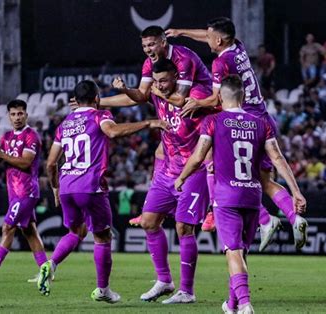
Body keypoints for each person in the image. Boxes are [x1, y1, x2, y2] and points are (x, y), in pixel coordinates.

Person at [165, 17, 308, 251]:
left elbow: (216, 99)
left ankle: (243, 216)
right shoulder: (238, 47)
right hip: (263, 119)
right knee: (264, 180)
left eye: (210, 37)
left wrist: (196, 104)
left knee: (214, 165)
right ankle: (293, 218)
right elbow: (210, 34)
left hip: (242, 121)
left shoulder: (220, 64)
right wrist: (182, 31)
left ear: (219, 40)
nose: (207, 39)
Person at [175, 76, 306, 314]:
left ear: (221, 97)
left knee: (232, 252)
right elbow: (277, 158)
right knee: (241, 253)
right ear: (243, 97)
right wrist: (296, 191)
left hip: (226, 198)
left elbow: (197, 157)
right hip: (252, 197)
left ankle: (245, 304)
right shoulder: (260, 123)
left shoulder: (213, 121)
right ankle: (232, 304)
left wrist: (181, 178)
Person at [40, 80, 168, 299]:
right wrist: (148, 123)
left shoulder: (65, 124)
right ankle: (103, 290)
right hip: (90, 186)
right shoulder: (100, 116)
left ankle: (51, 263)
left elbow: (50, 163)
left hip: (66, 187)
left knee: (76, 232)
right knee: (103, 237)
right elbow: (114, 132)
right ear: (96, 99)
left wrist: (54, 187)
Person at [94, 25, 213, 227]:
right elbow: (141, 95)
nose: (148, 49)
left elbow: (178, 99)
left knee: (208, 156)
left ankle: (213, 209)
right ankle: (155, 205)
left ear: (163, 42)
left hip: (205, 107)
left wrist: (154, 91)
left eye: (151, 44)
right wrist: (100, 102)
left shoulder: (183, 59)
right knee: (161, 151)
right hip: (180, 109)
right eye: (144, 46)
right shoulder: (151, 64)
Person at [123, 59, 210, 304]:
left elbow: (213, 112)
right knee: (149, 222)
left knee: (184, 227)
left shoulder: (196, 94)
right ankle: (163, 280)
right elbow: (134, 97)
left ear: (176, 77)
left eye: (164, 80)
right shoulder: (156, 94)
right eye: (156, 81)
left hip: (194, 170)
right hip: (166, 171)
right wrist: (100, 102)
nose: (160, 85)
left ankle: (187, 291)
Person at [0, 100, 47, 282]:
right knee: (29, 231)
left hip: (27, 191)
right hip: (13, 192)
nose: (17, 117)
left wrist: (2, 154)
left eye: (20, 113)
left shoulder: (32, 136)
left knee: (7, 227)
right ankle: (46, 271)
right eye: (13, 114)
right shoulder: (6, 137)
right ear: (8, 116)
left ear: (26, 115)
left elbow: (26, 162)